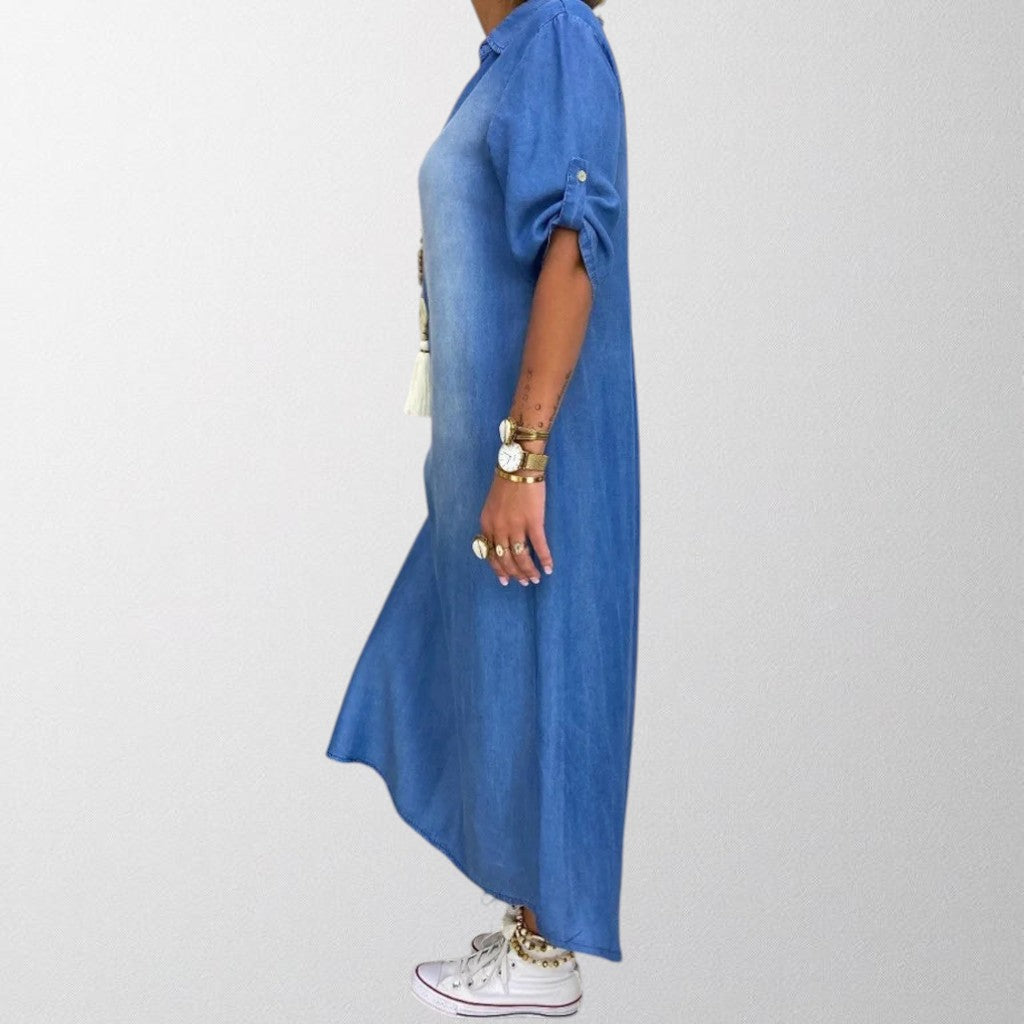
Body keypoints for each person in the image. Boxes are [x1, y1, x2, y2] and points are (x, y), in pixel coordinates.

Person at [325, 0, 639, 1015]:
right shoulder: (506, 59)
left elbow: (576, 244)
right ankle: (528, 930)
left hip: (535, 462)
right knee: (476, 668)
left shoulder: (557, 35)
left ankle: (545, 954)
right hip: (488, 460)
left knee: (547, 666)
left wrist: (524, 454)